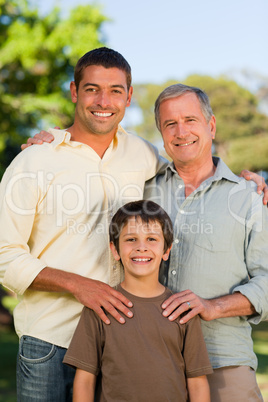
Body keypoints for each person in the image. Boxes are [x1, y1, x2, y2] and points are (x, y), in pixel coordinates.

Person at [0, 47, 166, 401]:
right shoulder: (34, 161)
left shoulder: (144, 155)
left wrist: (248, 180)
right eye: (92, 89)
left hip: (118, 342)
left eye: (115, 91)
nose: (103, 100)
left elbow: (192, 167)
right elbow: (5, 255)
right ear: (75, 92)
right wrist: (78, 285)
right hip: (51, 343)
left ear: (129, 96)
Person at [143, 83, 268, 401]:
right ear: (161, 133)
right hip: (152, 364)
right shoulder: (143, 189)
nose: (181, 132)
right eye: (170, 123)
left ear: (210, 125)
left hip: (223, 364)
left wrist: (214, 306)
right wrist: (53, 140)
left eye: (190, 120)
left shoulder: (249, 197)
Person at [63, 200, 213, 402]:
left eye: (151, 239)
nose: (141, 247)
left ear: (166, 250)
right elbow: (85, 380)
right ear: (115, 250)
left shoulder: (182, 309)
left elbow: (197, 381)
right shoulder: (100, 306)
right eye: (131, 239)